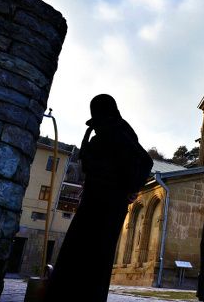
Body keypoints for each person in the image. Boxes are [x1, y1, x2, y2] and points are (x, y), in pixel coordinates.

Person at [45, 94, 152, 302]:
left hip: (104, 202)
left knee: (90, 252)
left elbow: (143, 161)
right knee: (89, 252)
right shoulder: (111, 131)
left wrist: (131, 189)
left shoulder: (115, 133)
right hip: (101, 201)